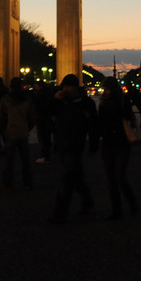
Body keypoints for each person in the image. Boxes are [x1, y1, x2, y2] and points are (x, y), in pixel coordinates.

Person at [49, 74, 98, 223]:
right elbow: (47, 114)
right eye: (63, 86)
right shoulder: (61, 101)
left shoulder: (87, 103)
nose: (64, 89)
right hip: (61, 143)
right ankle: (87, 201)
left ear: (75, 87)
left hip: (75, 144)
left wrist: (94, 145)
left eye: (67, 86)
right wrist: (54, 100)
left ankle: (60, 212)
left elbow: (93, 126)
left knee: (66, 178)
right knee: (75, 175)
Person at [95, 78, 137, 220]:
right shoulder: (103, 103)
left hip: (121, 142)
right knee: (111, 179)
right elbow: (99, 123)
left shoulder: (123, 100)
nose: (104, 91)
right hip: (108, 142)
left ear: (112, 89)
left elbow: (127, 116)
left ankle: (132, 203)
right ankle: (117, 209)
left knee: (119, 176)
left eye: (106, 89)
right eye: (103, 89)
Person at [0, 77, 36, 193]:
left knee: (8, 161)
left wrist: (4, 130)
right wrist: (27, 128)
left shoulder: (5, 99)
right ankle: (28, 184)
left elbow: (1, 117)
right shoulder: (27, 100)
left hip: (10, 132)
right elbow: (32, 118)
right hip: (23, 133)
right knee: (25, 161)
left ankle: (8, 185)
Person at [32, 81, 55, 164]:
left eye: (36, 85)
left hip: (41, 118)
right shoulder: (49, 93)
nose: (35, 87)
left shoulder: (39, 95)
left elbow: (36, 105)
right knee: (47, 138)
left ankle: (44, 156)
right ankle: (47, 155)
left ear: (39, 86)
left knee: (43, 138)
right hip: (47, 118)